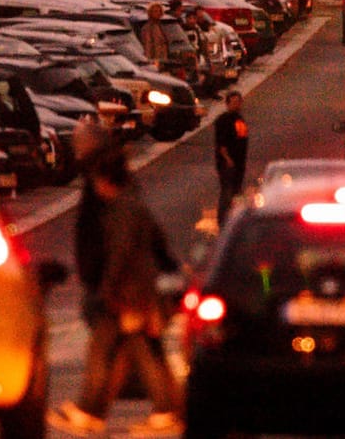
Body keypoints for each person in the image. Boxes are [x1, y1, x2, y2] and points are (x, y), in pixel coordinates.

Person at [51, 152, 183, 435]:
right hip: (137, 291)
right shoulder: (133, 205)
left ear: (106, 180)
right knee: (138, 352)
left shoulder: (121, 210)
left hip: (128, 293)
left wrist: (107, 288)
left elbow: (121, 253)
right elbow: (157, 241)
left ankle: (97, 410)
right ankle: (99, 410)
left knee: (111, 351)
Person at [213, 92, 249, 228]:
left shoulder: (239, 119)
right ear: (227, 104)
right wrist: (227, 159)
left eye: (238, 102)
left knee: (236, 192)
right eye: (233, 102)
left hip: (239, 163)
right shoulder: (224, 120)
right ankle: (223, 222)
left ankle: (233, 220)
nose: (237, 105)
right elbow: (221, 143)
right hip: (228, 163)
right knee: (227, 192)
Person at [139, 2, 170, 73]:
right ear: (150, 13)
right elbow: (147, 46)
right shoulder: (147, 28)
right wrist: (149, 63)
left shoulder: (160, 26)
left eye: (159, 11)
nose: (158, 13)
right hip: (154, 61)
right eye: (155, 11)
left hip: (162, 60)